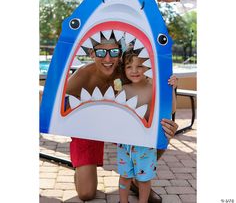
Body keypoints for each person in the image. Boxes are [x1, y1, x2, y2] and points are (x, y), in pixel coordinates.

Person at [66, 34, 178, 202]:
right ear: (91, 53)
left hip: (118, 126)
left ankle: (137, 177)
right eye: (102, 52)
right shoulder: (83, 75)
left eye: (114, 52)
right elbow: (56, 102)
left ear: (120, 53)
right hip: (88, 127)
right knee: (86, 194)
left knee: (161, 130)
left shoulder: (127, 71)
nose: (108, 58)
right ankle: (80, 169)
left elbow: (152, 83)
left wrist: (171, 87)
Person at [117, 47, 177, 203]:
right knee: (124, 176)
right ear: (124, 69)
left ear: (148, 67)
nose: (134, 70)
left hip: (146, 143)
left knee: (144, 179)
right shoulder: (123, 89)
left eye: (140, 66)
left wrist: (170, 89)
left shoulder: (154, 87)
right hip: (125, 143)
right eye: (129, 66)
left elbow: (171, 109)